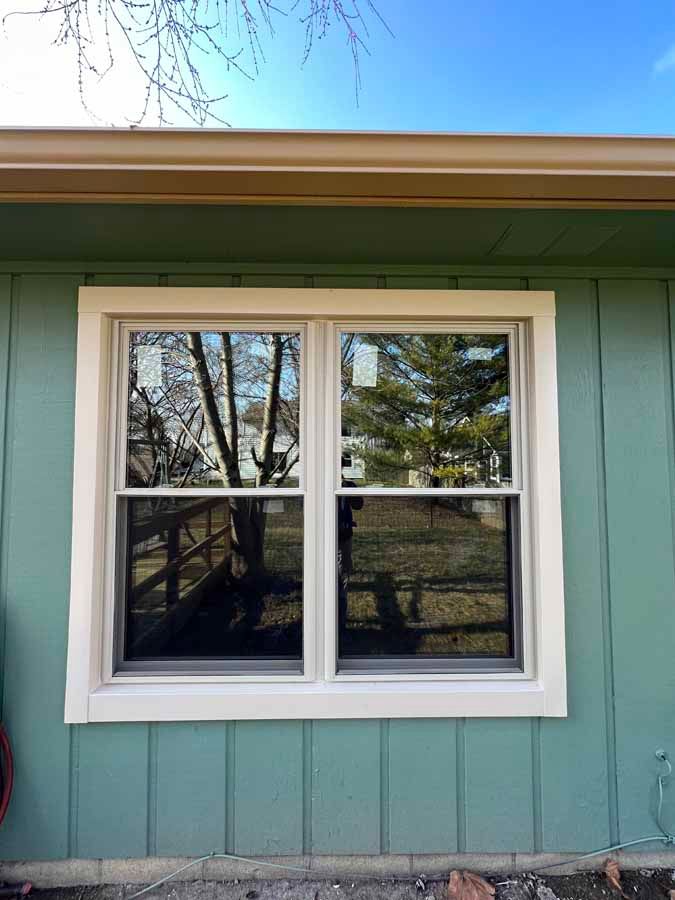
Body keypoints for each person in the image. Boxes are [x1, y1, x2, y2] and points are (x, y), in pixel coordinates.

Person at [337, 475, 364, 634]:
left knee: (343, 574)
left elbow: (359, 505)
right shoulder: (318, 482)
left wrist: (346, 487)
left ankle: (341, 620)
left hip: (344, 537)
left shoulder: (348, 485)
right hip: (324, 537)